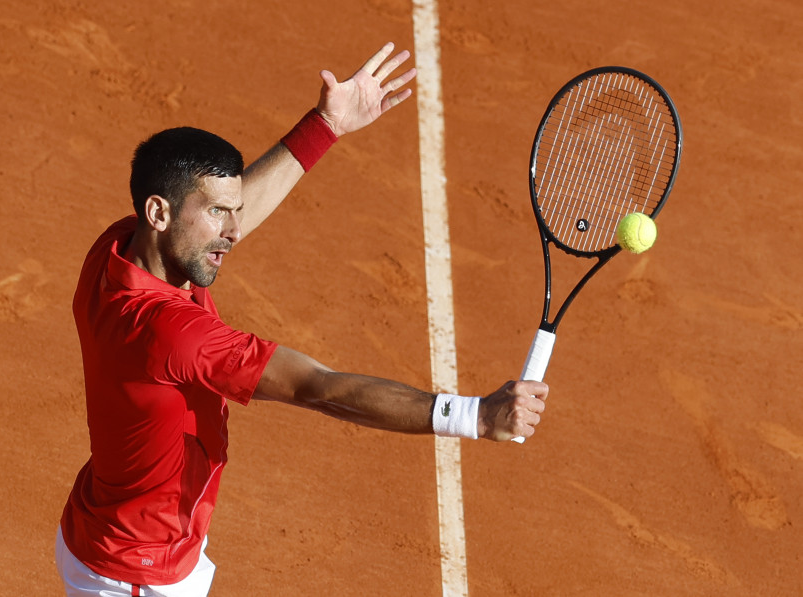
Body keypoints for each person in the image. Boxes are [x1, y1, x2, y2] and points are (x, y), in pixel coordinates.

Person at [56, 42, 549, 597]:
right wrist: (475, 416)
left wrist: (325, 126)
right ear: (160, 213)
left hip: (115, 531)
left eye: (232, 209)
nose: (234, 231)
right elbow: (320, 388)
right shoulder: (174, 335)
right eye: (218, 212)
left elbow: (224, 224)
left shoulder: (118, 249)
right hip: (138, 574)